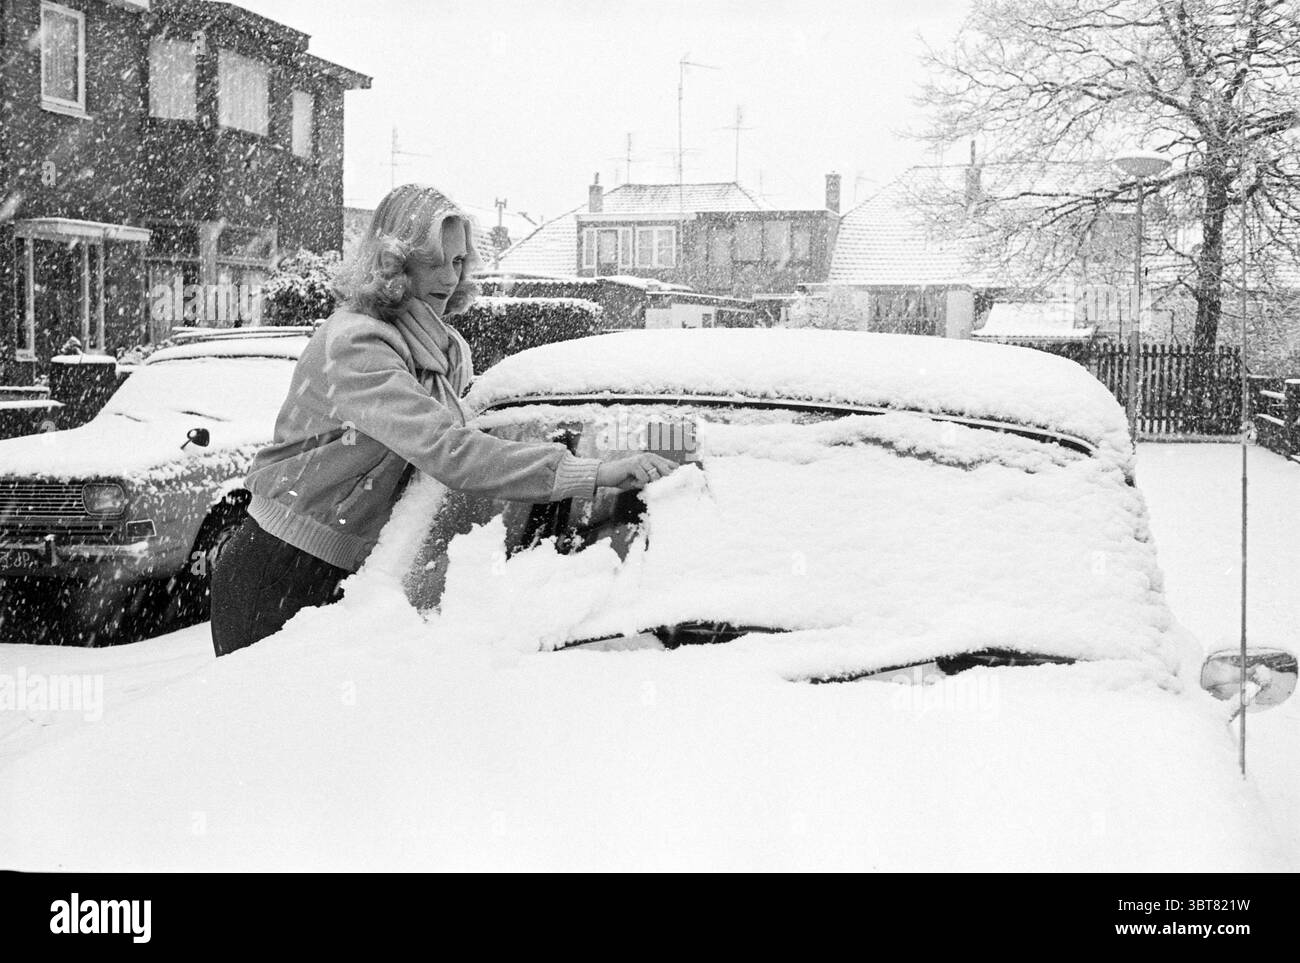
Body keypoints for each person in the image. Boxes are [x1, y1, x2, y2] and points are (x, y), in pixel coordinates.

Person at [209, 184, 678, 656]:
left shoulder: (446, 349)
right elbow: (450, 452)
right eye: (434, 260)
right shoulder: (356, 345)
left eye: (458, 262)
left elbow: (467, 453)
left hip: (363, 567)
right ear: (394, 261)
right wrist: (592, 473)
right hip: (280, 566)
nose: (449, 277)